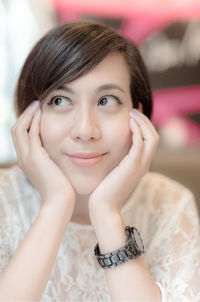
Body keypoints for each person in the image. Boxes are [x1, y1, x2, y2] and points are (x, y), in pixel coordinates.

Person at [0, 22, 199, 302]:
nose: (85, 129)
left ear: (138, 115)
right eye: (59, 100)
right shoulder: (4, 200)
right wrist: (56, 205)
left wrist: (107, 214)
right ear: (28, 116)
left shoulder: (169, 204)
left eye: (106, 100)